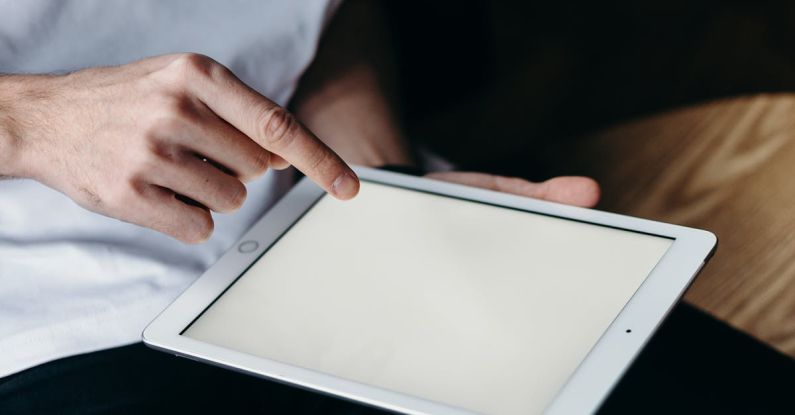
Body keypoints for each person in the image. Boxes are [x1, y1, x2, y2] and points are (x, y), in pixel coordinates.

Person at [0, 1, 600, 412]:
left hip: (324, 249)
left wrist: (378, 188)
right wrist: (31, 121)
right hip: (58, 334)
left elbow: (308, 21)